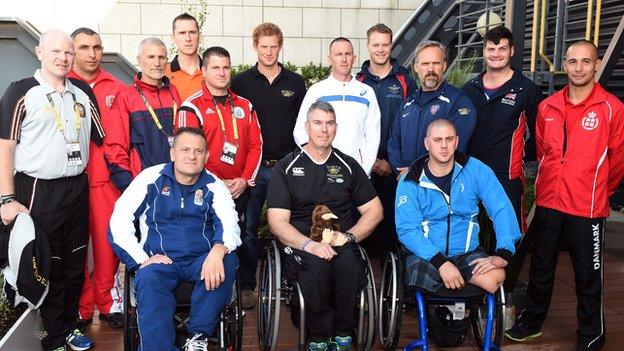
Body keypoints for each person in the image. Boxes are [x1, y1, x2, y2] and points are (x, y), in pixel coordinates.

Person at [505, 40, 624, 351]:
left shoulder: (612, 108)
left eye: (586, 61)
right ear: (565, 65)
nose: (579, 68)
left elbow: (618, 161)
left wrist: (597, 190)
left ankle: (591, 335)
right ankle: (531, 323)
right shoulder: (548, 107)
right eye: (573, 61)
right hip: (548, 202)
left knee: (588, 276)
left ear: (596, 65)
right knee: (541, 268)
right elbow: (544, 151)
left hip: (587, 209)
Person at [0, 29, 105, 351]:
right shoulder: (21, 92)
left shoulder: (83, 91)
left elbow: (101, 139)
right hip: (36, 188)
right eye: (56, 51)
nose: (63, 58)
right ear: (39, 52)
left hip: (76, 186)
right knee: (47, 263)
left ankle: (71, 326)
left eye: (68, 52)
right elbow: (5, 146)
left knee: (75, 263)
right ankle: (54, 336)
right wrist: (5, 198)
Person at [108, 127, 241, 351]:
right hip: (162, 260)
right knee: (148, 277)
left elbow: (229, 223)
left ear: (207, 156)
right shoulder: (150, 179)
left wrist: (218, 251)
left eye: (198, 151)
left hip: (202, 259)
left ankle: (197, 339)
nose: (192, 156)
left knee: (226, 260)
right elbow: (118, 221)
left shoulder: (214, 185)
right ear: (172, 153)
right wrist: (141, 260)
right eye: (185, 150)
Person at [267, 101, 383, 351]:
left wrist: (350, 237)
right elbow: (276, 221)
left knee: (350, 264)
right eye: (318, 123)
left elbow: (374, 211)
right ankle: (318, 335)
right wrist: (309, 245)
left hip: (340, 239)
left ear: (336, 128)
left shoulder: (348, 165)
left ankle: (342, 331)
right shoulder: (286, 167)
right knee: (317, 266)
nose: (324, 129)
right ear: (307, 127)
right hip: (301, 242)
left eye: (329, 124)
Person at [177, 45, 262, 307]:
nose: (222, 72)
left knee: (245, 236)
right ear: (204, 71)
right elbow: (187, 153)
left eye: (226, 67)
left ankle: (244, 287)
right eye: (215, 67)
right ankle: (205, 291)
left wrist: (244, 180)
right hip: (206, 189)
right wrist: (217, 182)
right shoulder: (191, 107)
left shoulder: (245, 106)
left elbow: (256, 145)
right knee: (207, 237)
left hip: (240, 188)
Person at [395, 118, 520, 295]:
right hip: (427, 254)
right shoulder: (411, 180)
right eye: (437, 140)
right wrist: (442, 263)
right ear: (427, 143)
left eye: (449, 139)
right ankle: (441, 314)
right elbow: (407, 229)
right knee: (418, 283)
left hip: (466, 250)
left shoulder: (476, 170)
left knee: (495, 278)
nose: (444, 145)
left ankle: (458, 302)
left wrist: (504, 252)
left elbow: (501, 208)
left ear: (457, 142)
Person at [462, 26, 545, 292]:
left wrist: (520, 156)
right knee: (469, 233)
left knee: (508, 237)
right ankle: (472, 294)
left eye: (501, 48)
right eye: (490, 48)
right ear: (484, 52)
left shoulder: (526, 90)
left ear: (511, 51)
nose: (496, 54)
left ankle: (505, 294)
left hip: (506, 177)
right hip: (469, 175)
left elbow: (540, 136)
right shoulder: (470, 88)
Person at [230, 22, 306, 308]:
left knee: (291, 227)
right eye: (264, 46)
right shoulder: (240, 82)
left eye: (274, 46)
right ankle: (248, 284)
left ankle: (290, 281)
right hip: (254, 169)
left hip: (287, 167)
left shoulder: (295, 83)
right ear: (255, 47)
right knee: (248, 229)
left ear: (280, 46)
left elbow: (303, 127)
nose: (269, 52)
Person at [68, 27, 127, 329]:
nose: (91, 54)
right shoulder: (62, 86)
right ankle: (81, 306)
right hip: (72, 182)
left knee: (106, 247)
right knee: (76, 248)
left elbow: (122, 136)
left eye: (97, 47)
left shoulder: (116, 87)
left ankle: (107, 301)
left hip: (106, 182)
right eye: (84, 47)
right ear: (72, 51)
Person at [356, 23, 416, 255]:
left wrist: (392, 162)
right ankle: (364, 284)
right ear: (368, 46)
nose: (380, 49)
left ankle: (392, 284)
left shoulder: (405, 80)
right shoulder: (357, 81)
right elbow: (354, 127)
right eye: (376, 44)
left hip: (395, 166)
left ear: (391, 45)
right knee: (364, 227)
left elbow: (410, 124)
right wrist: (370, 160)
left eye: (385, 44)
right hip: (364, 166)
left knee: (393, 228)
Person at [293, 37, 380, 177]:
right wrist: (316, 164)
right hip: (321, 173)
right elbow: (301, 131)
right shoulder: (317, 90)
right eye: (339, 54)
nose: (344, 59)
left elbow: (373, 136)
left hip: (356, 173)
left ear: (354, 57)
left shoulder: (367, 93)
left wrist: (363, 171)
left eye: (348, 54)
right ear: (330, 58)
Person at [387, 41, 476, 176]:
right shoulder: (408, 104)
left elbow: (454, 149)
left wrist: (415, 173)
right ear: (416, 67)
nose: (430, 69)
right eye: (425, 64)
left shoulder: (459, 102)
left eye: (436, 63)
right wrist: (401, 172)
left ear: (444, 66)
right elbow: (394, 143)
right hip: (406, 184)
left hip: (440, 186)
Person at [104, 37, 181, 192]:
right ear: (139, 60)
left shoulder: (173, 92)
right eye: (151, 57)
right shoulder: (126, 97)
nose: (157, 63)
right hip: (144, 183)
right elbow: (115, 148)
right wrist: (129, 187)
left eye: (161, 57)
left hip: (177, 180)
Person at [165, 13, 203, 101]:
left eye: (192, 32)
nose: (188, 38)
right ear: (173, 38)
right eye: (182, 33)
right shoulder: (163, 73)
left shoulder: (212, 72)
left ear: (199, 36)